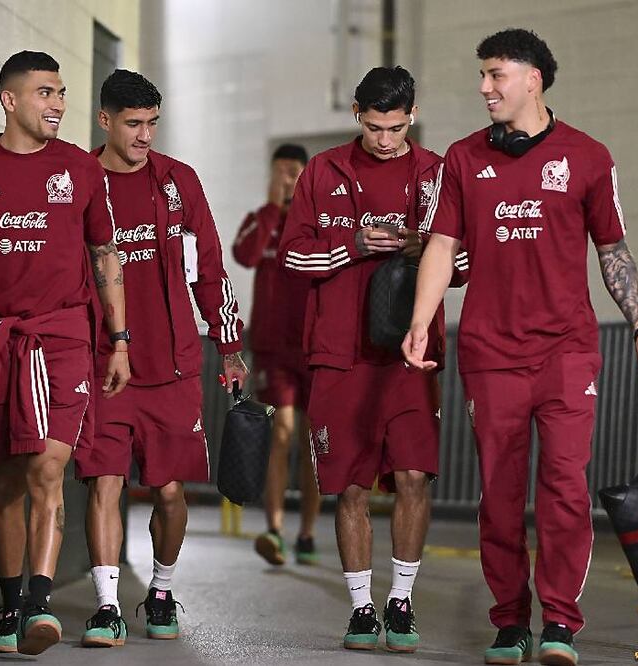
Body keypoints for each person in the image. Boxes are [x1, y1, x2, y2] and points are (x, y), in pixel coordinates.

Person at [403, 29, 638, 666]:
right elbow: (441, 245)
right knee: (498, 492)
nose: (484, 87)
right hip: (491, 353)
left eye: (496, 75)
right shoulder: (462, 160)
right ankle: (508, 620)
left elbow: (613, 252)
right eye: (482, 75)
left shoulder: (588, 156)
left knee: (563, 487)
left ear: (533, 79)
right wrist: (421, 320)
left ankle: (558, 623)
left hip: (567, 352)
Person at [0, 51, 129, 656]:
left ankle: (39, 607)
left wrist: (118, 339)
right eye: (45, 92)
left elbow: (106, 258)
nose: (59, 105)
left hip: (66, 334)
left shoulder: (81, 170)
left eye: (62, 93)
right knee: (9, 480)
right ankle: (11, 606)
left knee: (49, 465)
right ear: (9, 100)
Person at [73, 69, 248, 648]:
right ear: (105, 121)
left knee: (170, 493)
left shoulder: (179, 182)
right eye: (132, 124)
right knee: (104, 483)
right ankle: (105, 606)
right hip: (105, 365)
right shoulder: (76, 180)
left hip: (173, 366)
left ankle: (163, 589)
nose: (145, 135)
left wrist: (228, 346)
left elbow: (210, 270)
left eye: (152, 123)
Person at [278, 66, 446, 654]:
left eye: (397, 128)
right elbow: (290, 258)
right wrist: (353, 246)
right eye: (375, 127)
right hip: (338, 354)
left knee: (413, 477)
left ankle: (400, 601)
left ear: (412, 115)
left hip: (411, 354)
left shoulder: (435, 174)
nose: (385, 139)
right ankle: (361, 608)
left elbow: (469, 262)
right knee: (348, 486)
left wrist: (417, 245)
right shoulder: (323, 172)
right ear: (356, 114)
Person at [232, 143, 322, 566]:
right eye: (280, 172)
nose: (287, 179)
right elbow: (244, 256)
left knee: (311, 442)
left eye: (293, 172)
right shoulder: (261, 221)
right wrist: (271, 207)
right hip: (272, 351)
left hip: (314, 350)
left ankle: (306, 532)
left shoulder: (318, 223)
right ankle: (274, 529)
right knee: (281, 433)